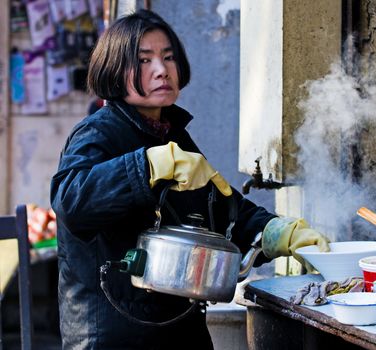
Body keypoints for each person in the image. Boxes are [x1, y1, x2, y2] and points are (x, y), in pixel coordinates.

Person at [50, 9, 329, 350]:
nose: (161, 70)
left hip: (179, 327)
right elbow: (71, 200)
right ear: (114, 69)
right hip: (114, 334)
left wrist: (277, 231)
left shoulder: (173, 135)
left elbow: (222, 207)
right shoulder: (97, 132)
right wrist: (149, 165)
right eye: (144, 60)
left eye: (168, 58)